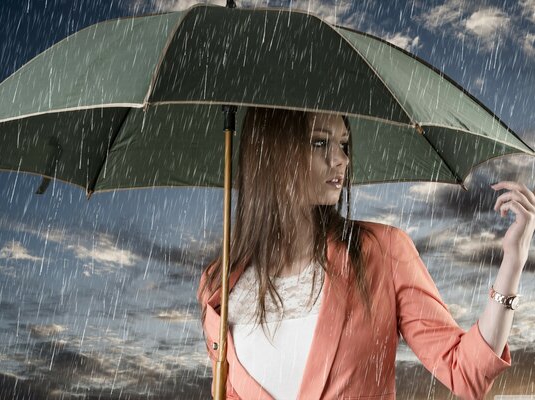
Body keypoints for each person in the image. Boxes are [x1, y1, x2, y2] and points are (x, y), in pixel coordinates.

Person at [197, 107, 534, 399]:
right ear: (271, 154)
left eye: (343, 144)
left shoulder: (384, 251)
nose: (341, 158)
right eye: (320, 142)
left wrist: (513, 262)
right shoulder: (218, 286)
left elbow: (466, 374)